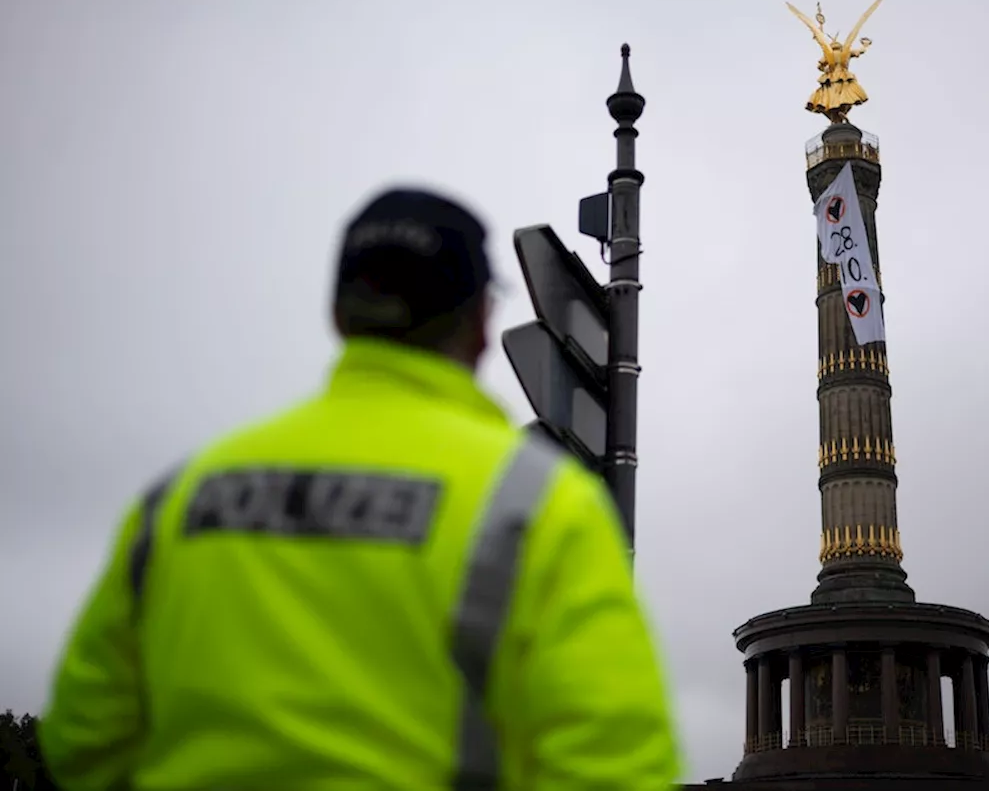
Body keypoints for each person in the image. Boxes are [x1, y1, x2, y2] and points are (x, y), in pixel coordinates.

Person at [38, 187, 682, 791]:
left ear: (337, 314)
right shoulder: (542, 506)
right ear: (483, 323)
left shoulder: (181, 498)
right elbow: (619, 765)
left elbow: (80, 741)